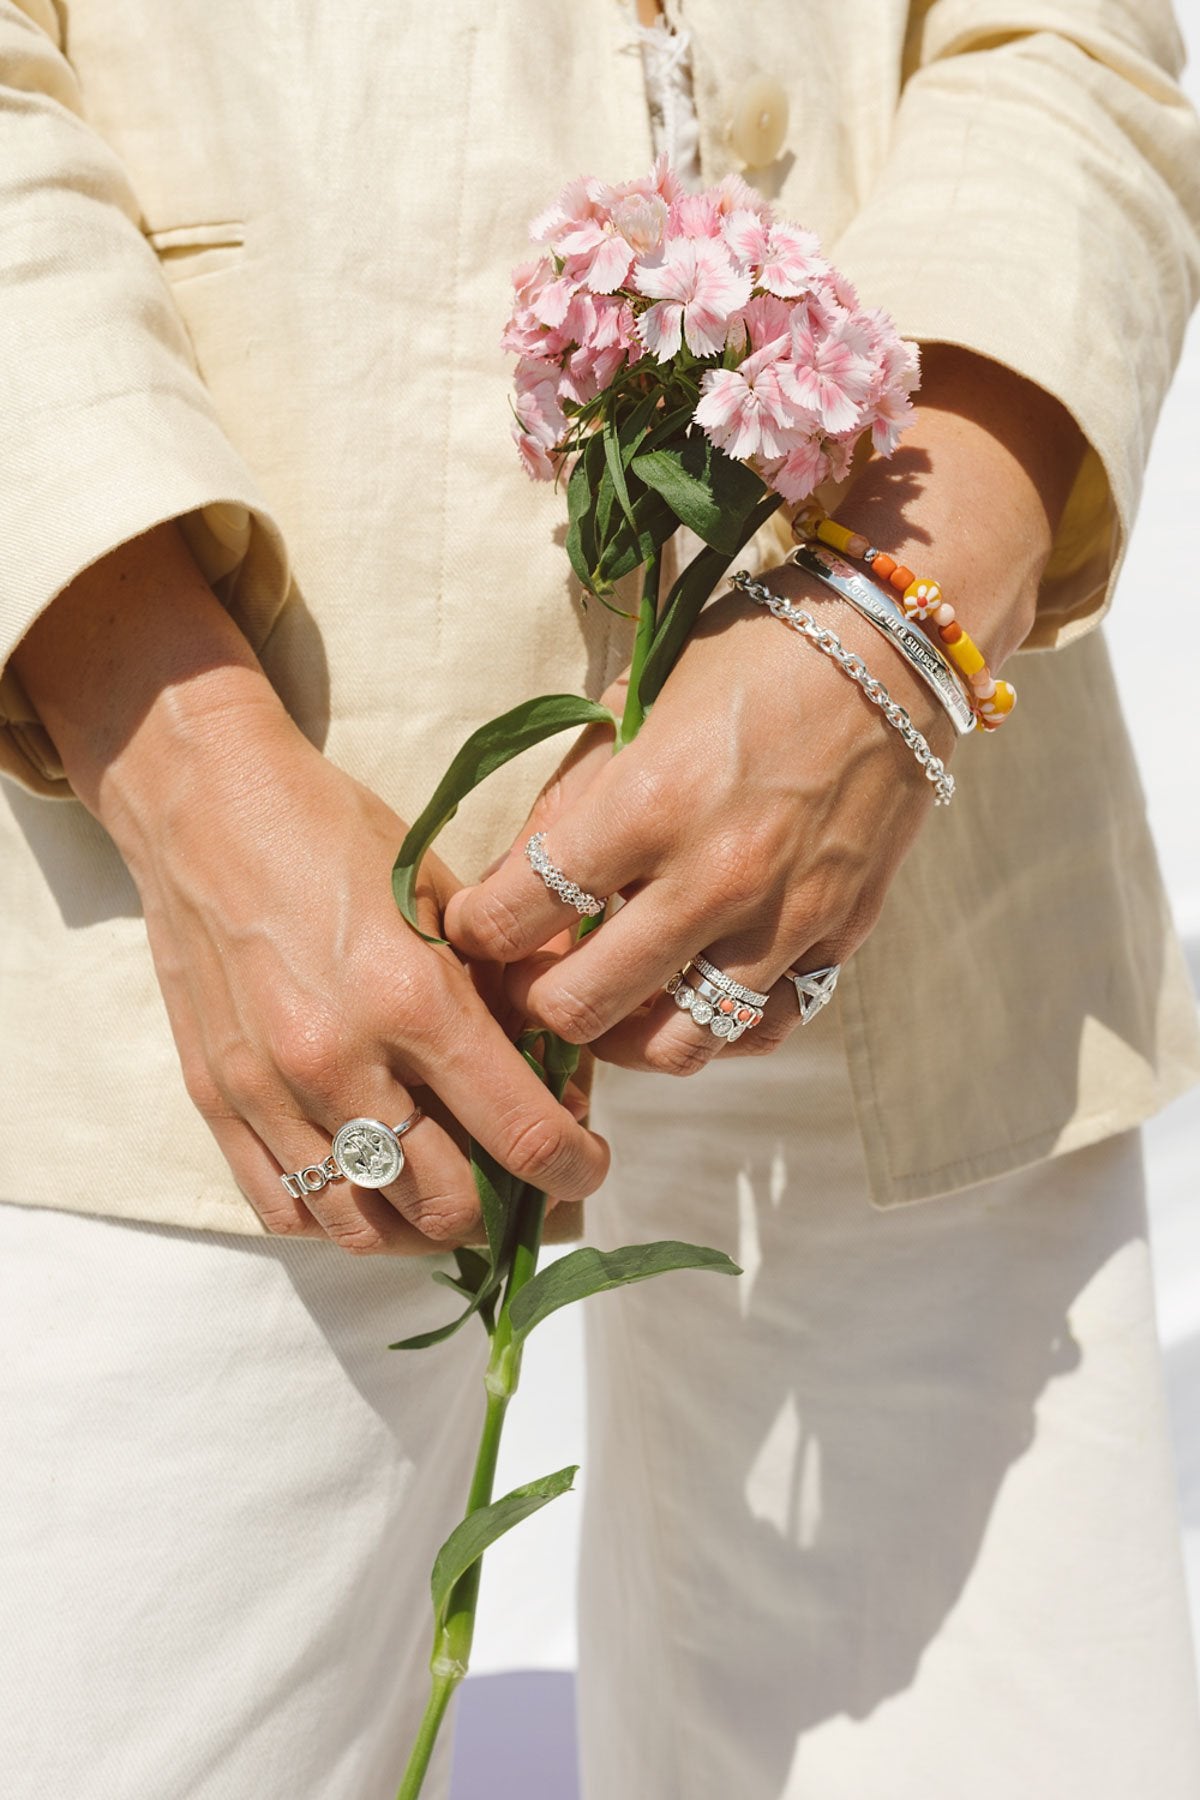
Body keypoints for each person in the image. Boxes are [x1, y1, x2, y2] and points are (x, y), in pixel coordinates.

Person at [2, 1, 1199, 1795]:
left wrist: (907, 614)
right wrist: (183, 768)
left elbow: (1069, 37)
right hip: (238, 862)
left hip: (914, 826)